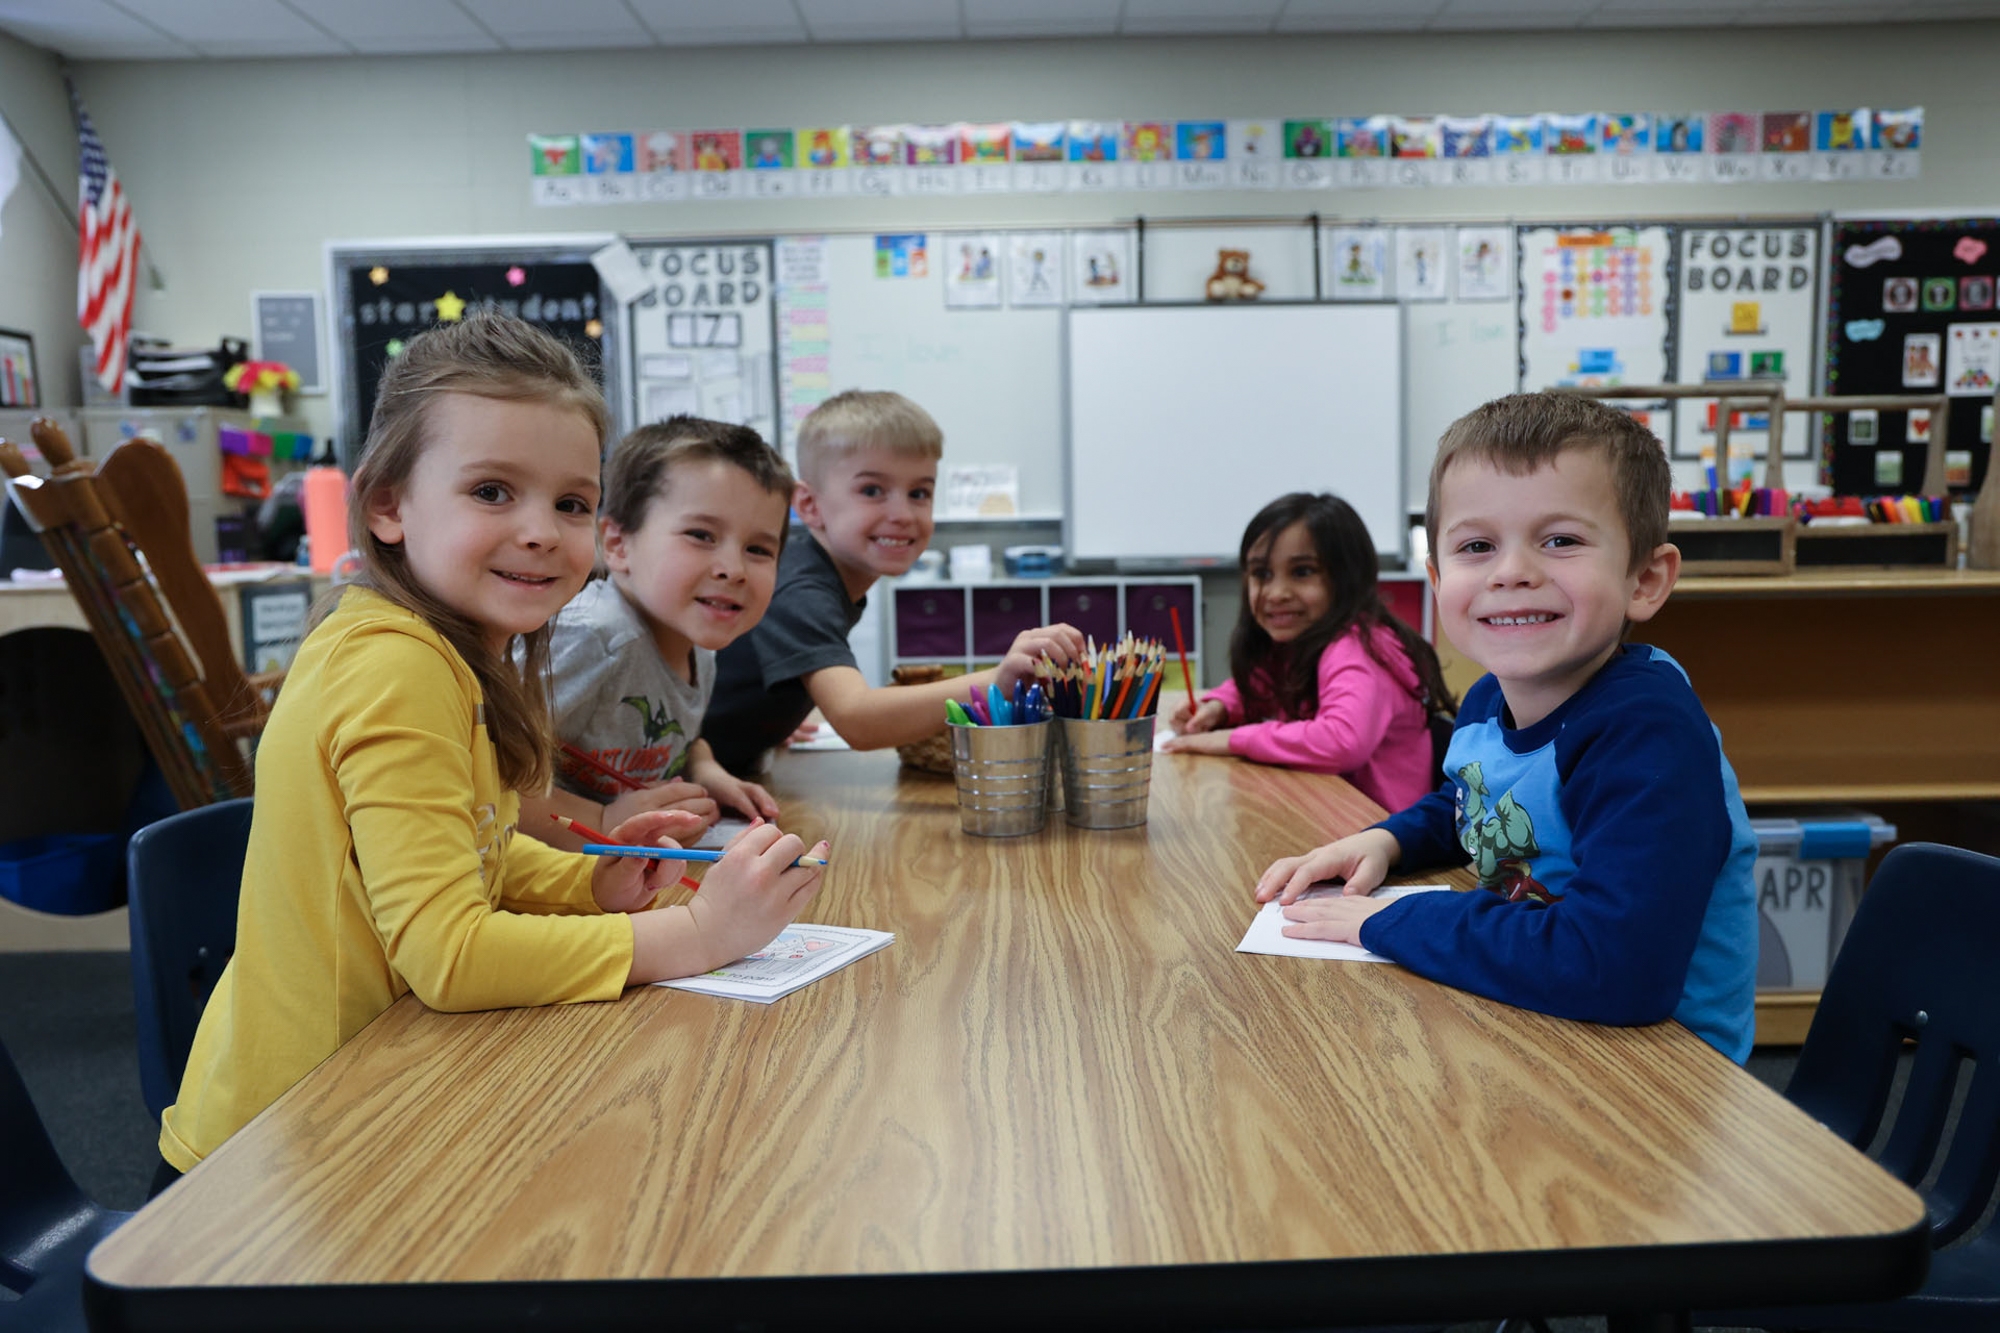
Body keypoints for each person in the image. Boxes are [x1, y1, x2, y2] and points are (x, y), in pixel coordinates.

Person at [156, 314, 825, 1183]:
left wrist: (591, 884)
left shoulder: (446, 653)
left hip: (377, 1096)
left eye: (571, 503)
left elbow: (476, 850)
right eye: (492, 492)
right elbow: (448, 952)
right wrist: (694, 933)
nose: (543, 530)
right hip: (282, 1153)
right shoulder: (396, 665)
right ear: (387, 505)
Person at [1255, 393, 1757, 1062]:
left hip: (1660, 1074)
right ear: (1437, 578)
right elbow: (1477, 799)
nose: (1513, 571)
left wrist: (1393, 918)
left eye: (1561, 540)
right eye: (1477, 545)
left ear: (1645, 578)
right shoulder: (1492, 698)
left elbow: (1615, 968)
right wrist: (1385, 840)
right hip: (1539, 1020)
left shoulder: (1646, 732)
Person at [703, 390, 1083, 777]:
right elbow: (856, 720)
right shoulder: (801, 587)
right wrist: (996, 681)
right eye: (872, 491)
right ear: (809, 506)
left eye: (919, 493)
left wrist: (773, 718)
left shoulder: (820, 573)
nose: (902, 514)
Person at [524, 417, 792, 852]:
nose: (734, 569)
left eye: (758, 549)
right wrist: (603, 819)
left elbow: (681, 739)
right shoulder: (593, 637)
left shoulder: (697, 642)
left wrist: (705, 772)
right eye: (701, 535)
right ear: (617, 544)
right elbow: (481, 775)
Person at [1162, 492, 1451, 813]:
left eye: (1302, 572)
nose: (1276, 593)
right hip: (1327, 818)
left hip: (1380, 838)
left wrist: (1235, 739)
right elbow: (1262, 686)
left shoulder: (1358, 649)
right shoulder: (1303, 640)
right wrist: (1218, 707)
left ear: (1347, 576)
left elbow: (1342, 741)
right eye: (1261, 574)